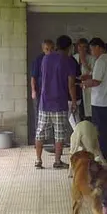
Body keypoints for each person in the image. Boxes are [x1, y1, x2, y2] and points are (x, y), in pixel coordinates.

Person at [35, 35, 78, 169]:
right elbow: (71, 84)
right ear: (69, 47)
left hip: (44, 102)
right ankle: (57, 161)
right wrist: (74, 101)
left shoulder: (45, 59)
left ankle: (38, 161)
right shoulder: (68, 61)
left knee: (40, 132)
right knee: (59, 134)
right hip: (59, 103)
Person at [82, 38, 107, 161]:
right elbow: (104, 76)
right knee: (106, 127)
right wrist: (89, 76)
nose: (91, 52)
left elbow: (96, 81)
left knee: (101, 129)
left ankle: (103, 154)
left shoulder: (100, 61)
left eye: (92, 49)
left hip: (100, 101)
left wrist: (85, 83)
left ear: (98, 47)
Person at [31, 39, 55, 121]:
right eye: (47, 49)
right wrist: (33, 91)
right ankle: (37, 133)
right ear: (43, 49)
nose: (49, 51)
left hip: (52, 92)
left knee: (51, 115)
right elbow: (33, 77)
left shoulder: (57, 59)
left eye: (51, 48)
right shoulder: (39, 59)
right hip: (40, 91)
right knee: (38, 114)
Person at [73, 38, 95, 121]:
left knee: (87, 111)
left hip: (87, 87)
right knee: (77, 113)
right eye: (80, 46)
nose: (82, 49)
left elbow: (94, 73)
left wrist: (84, 62)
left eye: (84, 47)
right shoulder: (73, 58)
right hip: (76, 87)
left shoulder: (92, 58)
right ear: (77, 47)